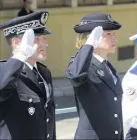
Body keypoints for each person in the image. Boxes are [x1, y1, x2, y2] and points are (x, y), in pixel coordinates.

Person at [65, 13, 124, 139]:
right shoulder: (82, 65)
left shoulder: (108, 67)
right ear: (91, 37)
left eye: (114, 34)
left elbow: (116, 113)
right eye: (108, 34)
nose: (114, 38)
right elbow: (75, 76)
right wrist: (89, 45)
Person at [0, 10, 56, 139]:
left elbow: (49, 120)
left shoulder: (44, 73)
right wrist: (20, 56)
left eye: (44, 38)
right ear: (16, 43)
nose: (45, 44)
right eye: (36, 39)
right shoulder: (4, 72)